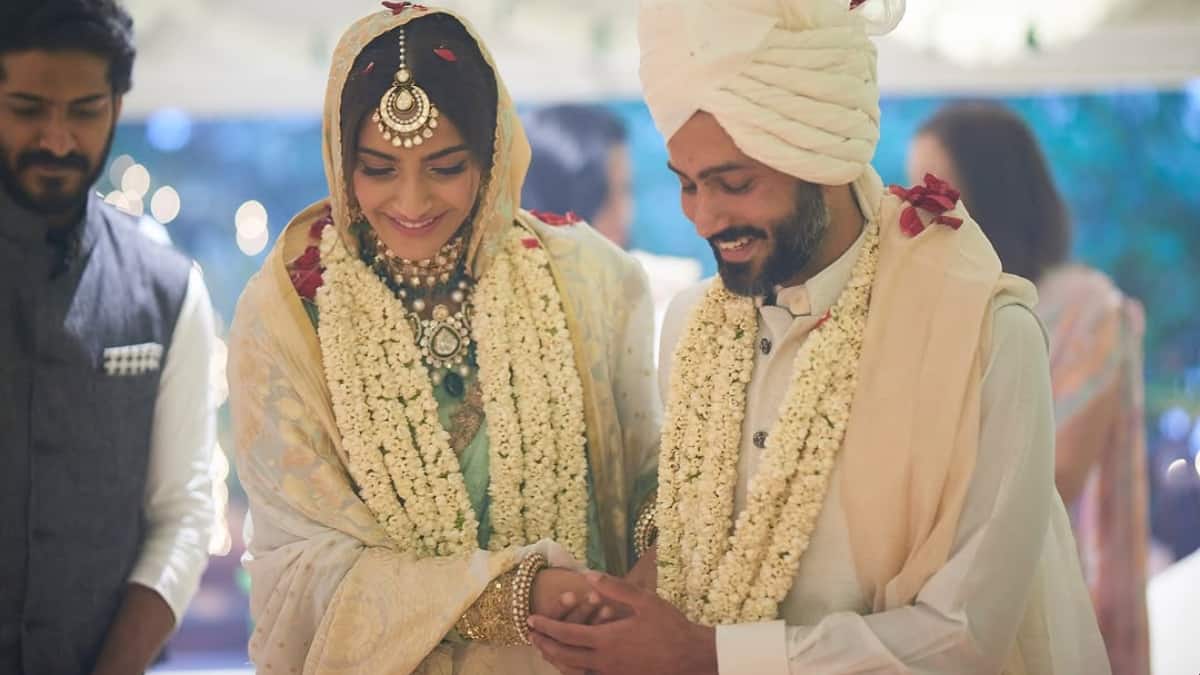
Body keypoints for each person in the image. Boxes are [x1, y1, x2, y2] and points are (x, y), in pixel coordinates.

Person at [527, 1, 1110, 674]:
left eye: (734, 183)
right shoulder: (692, 328)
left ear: (820, 159)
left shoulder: (986, 336)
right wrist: (631, 604)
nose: (705, 218)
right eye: (686, 185)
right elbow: (701, 543)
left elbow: (966, 633)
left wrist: (709, 657)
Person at [225, 3, 659, 673]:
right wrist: (509, 597)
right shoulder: (290, 316)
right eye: (378, 168)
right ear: (342, 161)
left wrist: (656, 556)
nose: (412, 201)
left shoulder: (588, 279)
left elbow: (653, 474)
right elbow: (300, 564)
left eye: (446, 166)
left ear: (491, 155)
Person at [0, 1, 216, 674]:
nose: (57, 139)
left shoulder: (169, 290)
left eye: (85, 111)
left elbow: (183, 513)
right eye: (27, 109)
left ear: (118, 106)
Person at [909, 100, 1151, 675]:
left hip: (1036, 587)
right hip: (928, 594)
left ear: (991, 193)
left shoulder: (1085, 309)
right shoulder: (929, 304)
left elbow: (1058, 477)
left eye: (935, 187)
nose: (916, 206)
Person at [523, 103, 702, 358]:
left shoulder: (665, 293)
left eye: (625, 190)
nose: (623, 212)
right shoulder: (508, 306)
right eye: (604, 194)